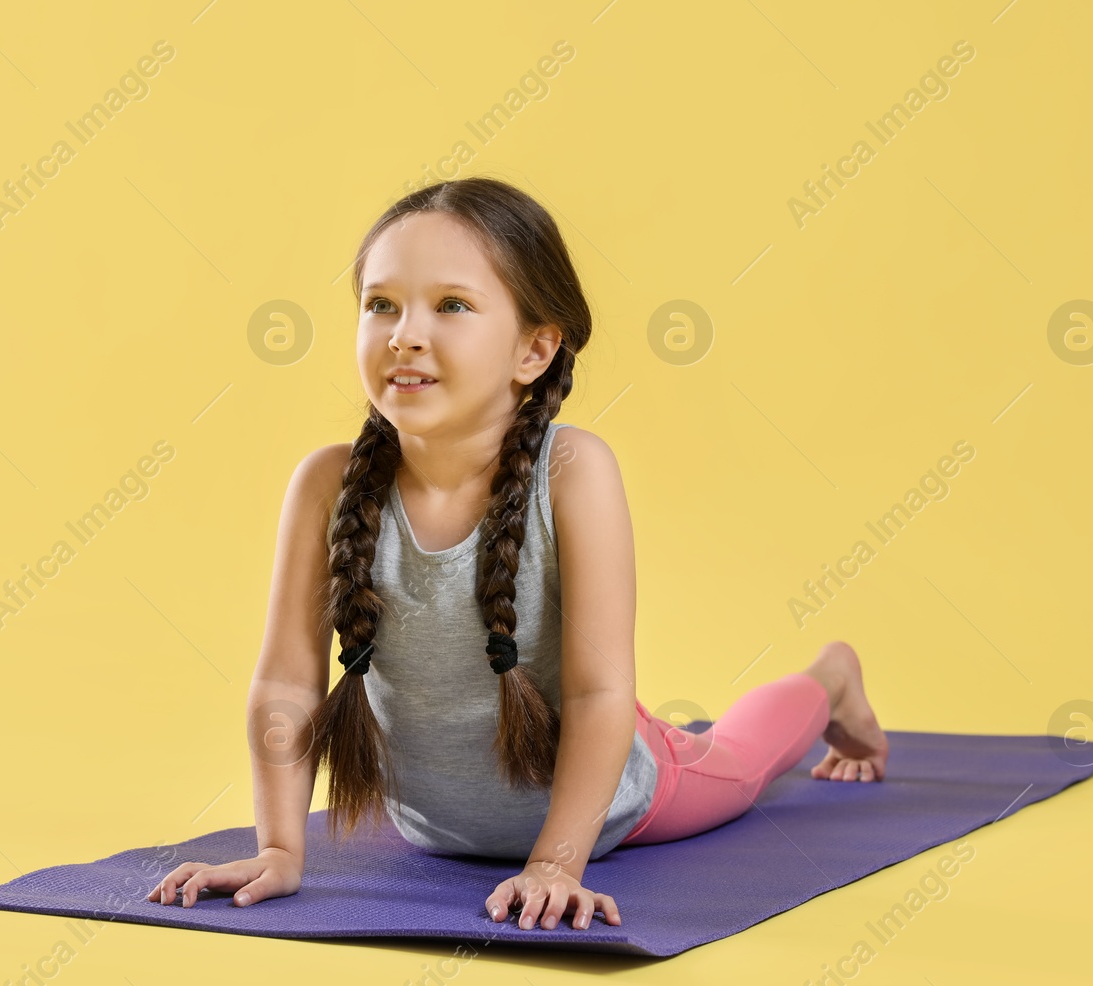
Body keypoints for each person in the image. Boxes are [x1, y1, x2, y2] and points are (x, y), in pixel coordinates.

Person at [147, 177, 888, 932]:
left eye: (453, 305)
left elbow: (600, 693)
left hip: (621, 803)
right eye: (381, 304)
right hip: (432, 829)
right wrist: (279, 847)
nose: (404, 333)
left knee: (737, 759)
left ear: (534, 348)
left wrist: (558, 861)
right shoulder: (324, 484)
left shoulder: (574, 472)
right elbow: (286, 681)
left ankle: (830, 681)